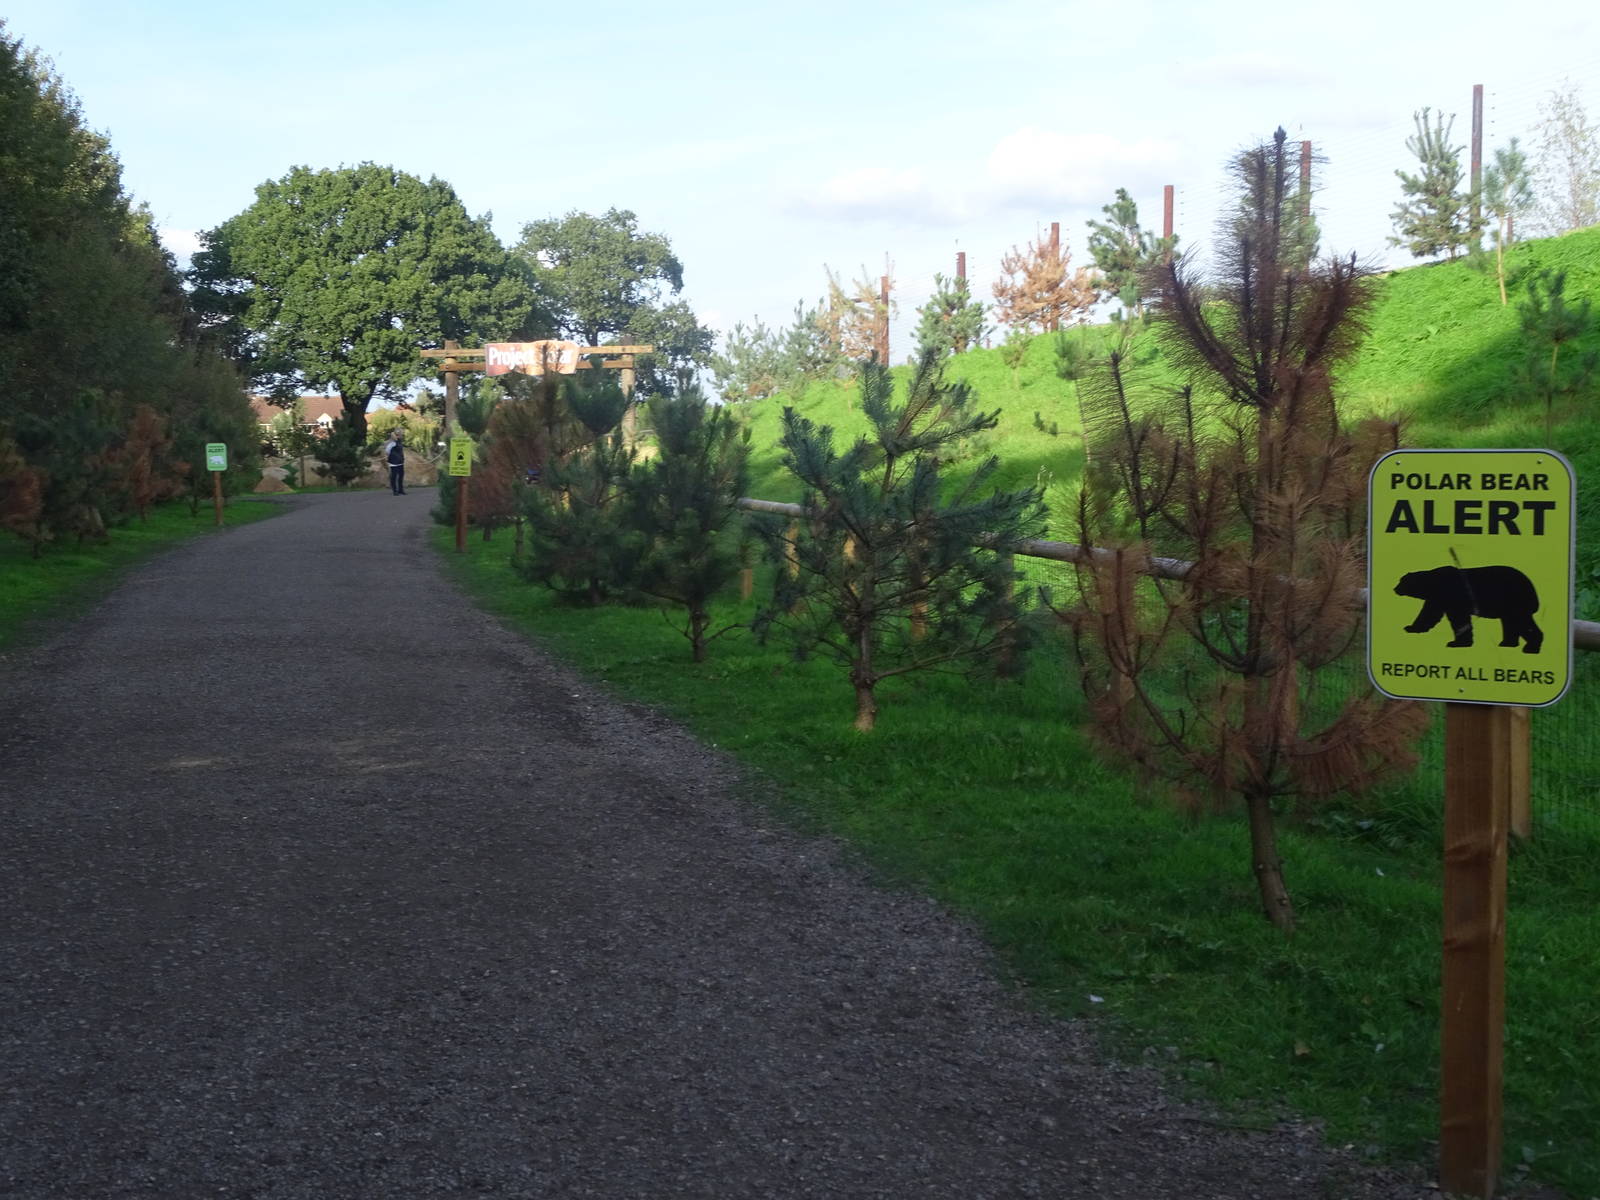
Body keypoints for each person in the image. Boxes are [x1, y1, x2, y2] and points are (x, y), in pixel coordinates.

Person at [384, 429, 406, 495]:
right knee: (394, 476)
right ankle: (395, 491)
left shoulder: (399, 442)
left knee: (401, 476)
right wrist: (392, 456)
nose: (402, 435)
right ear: (398, 435)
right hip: (394, 462)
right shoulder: (392, 442)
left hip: (400, 462)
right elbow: (387, 450)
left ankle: (400, 490)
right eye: (401, 434)